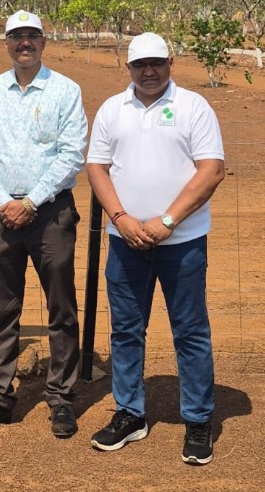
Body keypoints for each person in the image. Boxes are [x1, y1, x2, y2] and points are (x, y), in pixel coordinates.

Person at [86, 32, 224, 465]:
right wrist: (120, 218)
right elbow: (97, 167)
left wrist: (167, 221)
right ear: (127, 67)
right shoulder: (112, 109)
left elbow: (211, 170)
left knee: (190, 331)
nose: (149, 71)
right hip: (125, 241)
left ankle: (198, 419)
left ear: (171, 63)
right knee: (126, 331)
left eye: (156, 63)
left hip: (182, 242)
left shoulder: (193, 107)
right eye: (140, 64)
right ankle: (130, 413)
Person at [0, 10, 87, 438]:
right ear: (5, 43)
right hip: (0, 214)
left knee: (61, 306)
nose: (24, 43)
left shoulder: (65, 91)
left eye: (32, 35)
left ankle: (61, 397)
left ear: (43, 41)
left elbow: (72, 154)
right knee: (3, 308)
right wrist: (6, 202)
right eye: (16, 36)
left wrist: (31, 201)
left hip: (50, 212)